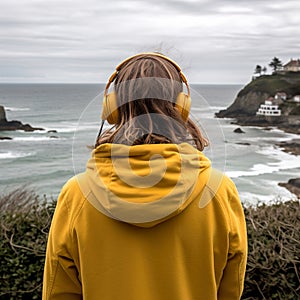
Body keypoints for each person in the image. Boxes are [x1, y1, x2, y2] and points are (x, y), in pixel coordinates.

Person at [43, 52, 247, 300]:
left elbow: (58, 291)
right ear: (182, 106)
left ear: (113, 108)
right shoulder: (219, 191)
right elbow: (231, 288)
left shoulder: (76, 194)